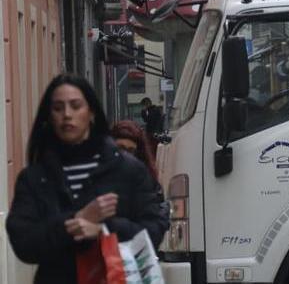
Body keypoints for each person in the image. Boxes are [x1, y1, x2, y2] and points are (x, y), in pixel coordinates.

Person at [6, 74, 169, 283]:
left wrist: (105, 230)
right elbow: (23, 241)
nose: (67, 115)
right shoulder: (35, 178)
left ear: (91, 113)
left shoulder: (127, 170)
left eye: (75, 106)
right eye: (58, 108)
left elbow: (154, 229)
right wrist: (73, 222)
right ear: (48, 116)